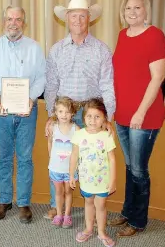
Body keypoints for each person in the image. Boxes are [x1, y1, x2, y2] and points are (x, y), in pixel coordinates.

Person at [43, 0, 116, 219]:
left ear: (89, 19)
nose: (78, 20)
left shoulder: (101, 50)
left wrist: (108, 118)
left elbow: (107, 84)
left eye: (82, 16)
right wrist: (51, 115)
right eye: (73, 15)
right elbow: (51, 84)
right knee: (58, 157)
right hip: (64, 112)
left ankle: (90, 208)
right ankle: (56, 205)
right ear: (67, 18)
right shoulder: (56, 50)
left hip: (90, 113)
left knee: (90, 161)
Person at [108, 0, 165, 237]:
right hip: (122, 115)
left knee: (139, 170)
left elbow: (157, 79)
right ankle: (127, 211)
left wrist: (141, 112)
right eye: (128, 9)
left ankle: (139, 220)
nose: (132, 12)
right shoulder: (123, 35)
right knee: (131, 166)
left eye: (137, 8)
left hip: (143, 117)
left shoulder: (155, 35)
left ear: (146, 11)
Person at [0, 6, 46, 223]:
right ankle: (4, 200)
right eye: (9, 19)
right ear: (3, 21)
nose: (13, 23)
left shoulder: (34, 48)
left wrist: (31, 98)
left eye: (18, 19)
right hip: (2, 113)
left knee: (25, 158)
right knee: (4, 158)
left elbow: (42, 78)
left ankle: (24, 203)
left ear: (23, 23)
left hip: (27, 112)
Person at [69, 98, 116, 247]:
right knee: (88, 203)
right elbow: (74, 155)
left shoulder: (106, 136)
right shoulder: (79, 134)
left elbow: (112, 160)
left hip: (103, 181)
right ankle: (89, 229)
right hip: (86, 179)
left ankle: (101, 232)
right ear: (84, 118)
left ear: (104, 118)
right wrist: (71, 174)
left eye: (97, 117)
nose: (93, 120)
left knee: (100, 205)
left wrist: (113, 181)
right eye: (89, 116)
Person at [47, 96, 79, 228]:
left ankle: (67, 215)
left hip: (69, 170)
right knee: (58, 192)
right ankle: (59, 214)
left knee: (68, 192)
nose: (64, 115)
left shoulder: (76, 129)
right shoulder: (52, 127)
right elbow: (49, 144)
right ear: (55, 112)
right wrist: (51, 160)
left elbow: (77, 150)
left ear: (72, 113)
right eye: (60, 112)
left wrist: (74, 169)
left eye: (67, 112)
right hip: (56, 168)